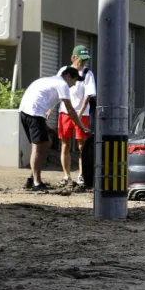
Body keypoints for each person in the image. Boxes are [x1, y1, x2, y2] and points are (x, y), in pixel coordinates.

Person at [19, 68, 92, 190]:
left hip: (25, 112)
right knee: (39, 146)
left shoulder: (49, 81)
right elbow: (70, 109)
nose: (73, 85)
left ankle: (32, 178)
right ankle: (36, 183)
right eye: (74, 81)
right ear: (68, 76)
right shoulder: (62, 84)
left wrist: (46, 126)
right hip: (34, 113)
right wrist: (82, 127)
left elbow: (41, 100)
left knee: (44, 144)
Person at [52, 46, 96, 186]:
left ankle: (82, 174)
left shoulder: (88, 74)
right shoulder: (64, 71)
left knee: (81, 146)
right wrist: (51, 108)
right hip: (65, 112)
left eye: (85, 60)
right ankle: (66, 175)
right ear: (73, 58)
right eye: (81, 60)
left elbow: (88, 95)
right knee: (65, 144)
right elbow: (56, 90)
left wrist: (80, 112)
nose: (83, 63)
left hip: (81, 114)